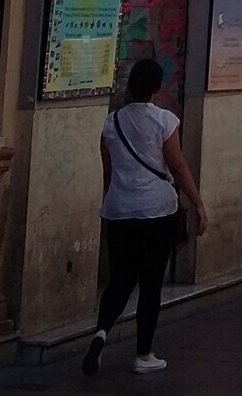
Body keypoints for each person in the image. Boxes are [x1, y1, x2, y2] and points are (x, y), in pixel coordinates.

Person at [82, 57, 207, 377]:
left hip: (120, 210)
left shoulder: (111, 123)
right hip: (156, 210)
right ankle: (143, 355)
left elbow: (108, 171)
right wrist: (197, 203)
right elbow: (177, 167)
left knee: (120, 280)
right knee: (150, 283)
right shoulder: (164, 121)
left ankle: (100, 335)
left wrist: (113, 201)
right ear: (156, 87)